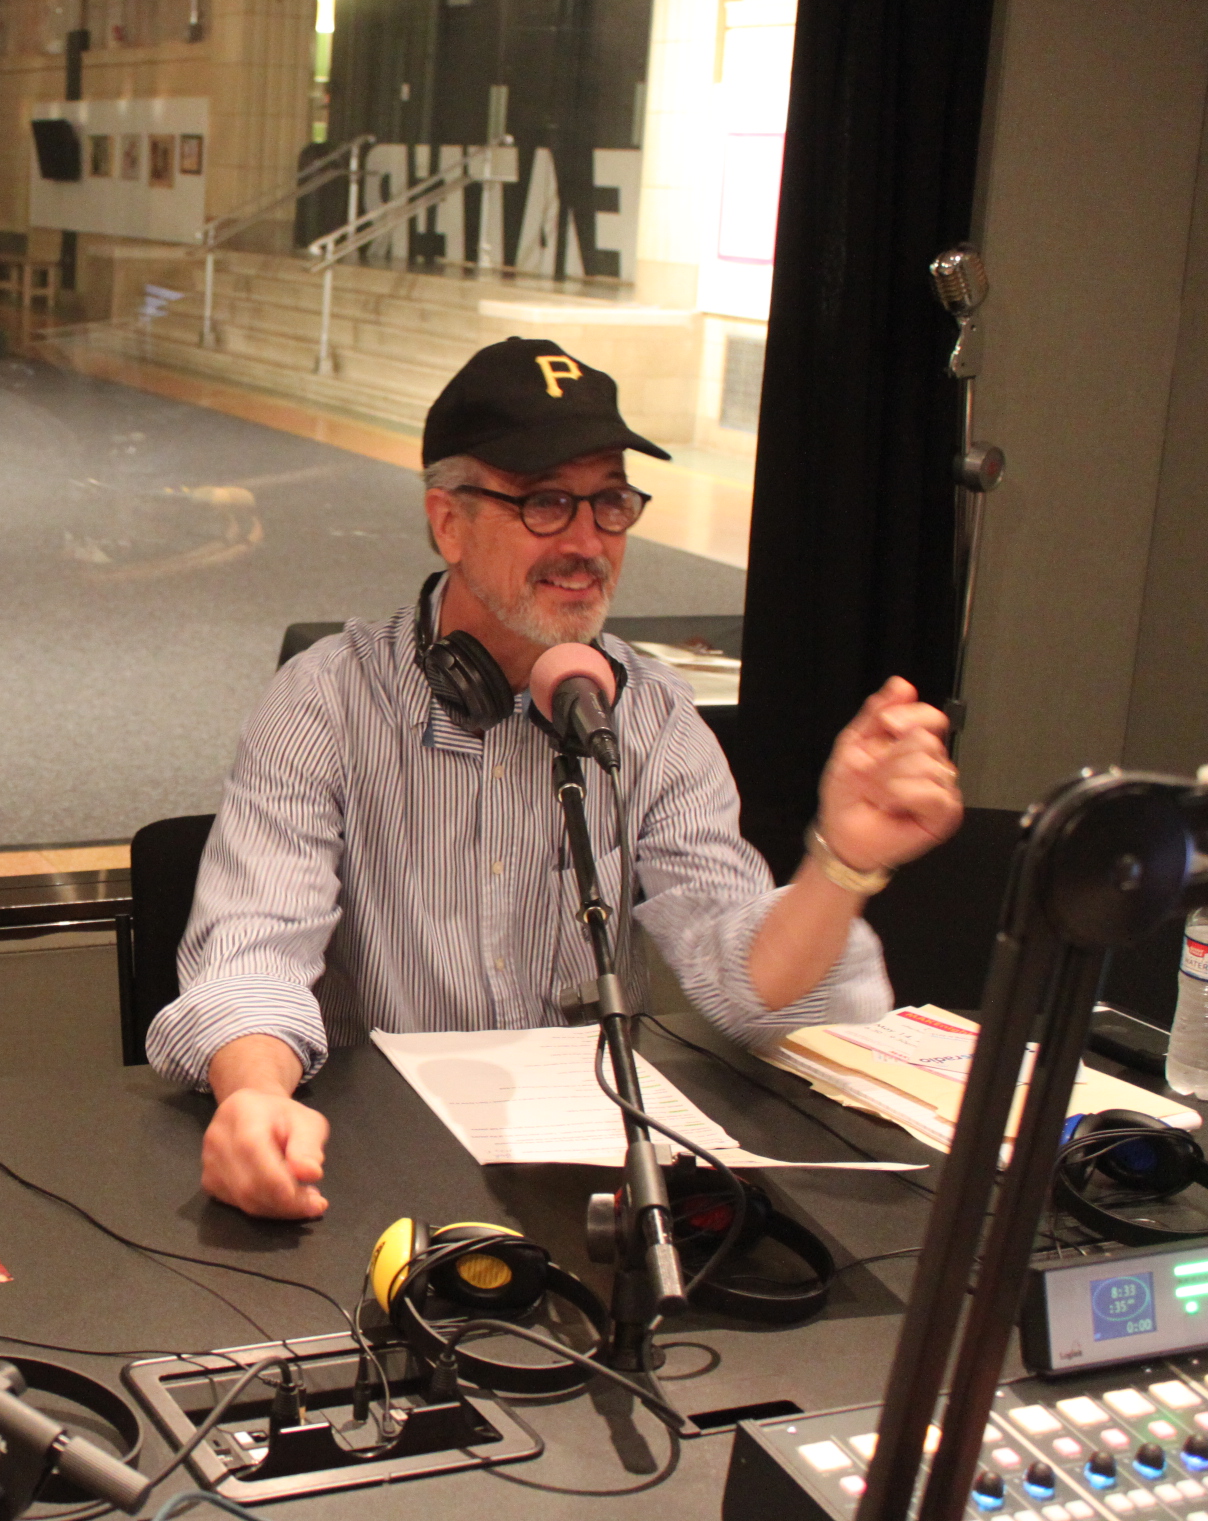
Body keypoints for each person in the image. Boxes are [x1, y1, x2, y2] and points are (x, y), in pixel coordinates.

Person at [147, 338, 964, 1222]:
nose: (587, 543)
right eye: (545, 504)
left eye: (610, 502)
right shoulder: (326, 701)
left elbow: (743, 978)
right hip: (375, 1174)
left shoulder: (647, 710)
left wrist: (839, 863)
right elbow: (251, 956)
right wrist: (256, 1097)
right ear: (448, 521)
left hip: (593, 1178)